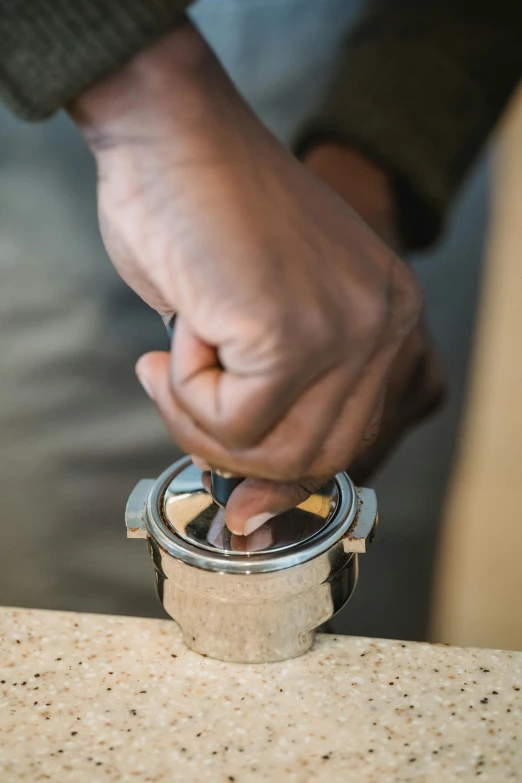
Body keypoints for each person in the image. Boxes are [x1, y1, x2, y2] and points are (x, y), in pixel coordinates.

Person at [0, 2, 521, 611]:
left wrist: (379, 170)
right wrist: (137, 92)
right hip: (34, 147)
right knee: (75, 646)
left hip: (378, 79)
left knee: (362, 628)